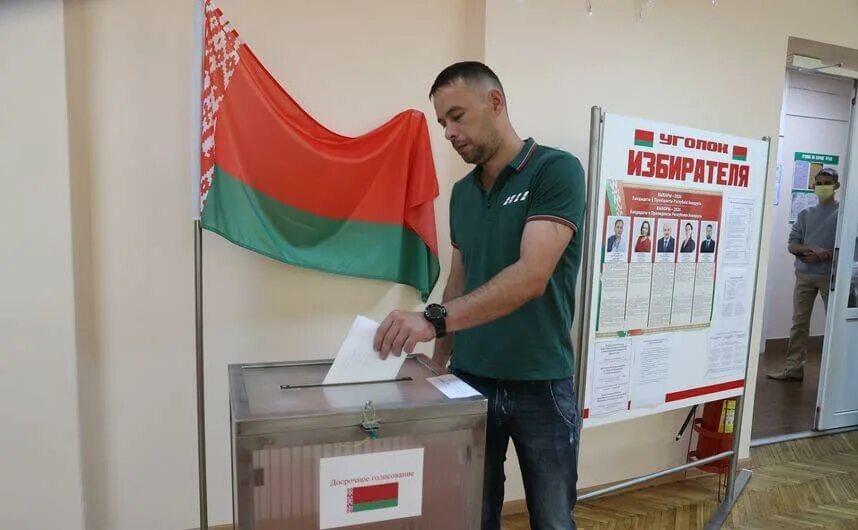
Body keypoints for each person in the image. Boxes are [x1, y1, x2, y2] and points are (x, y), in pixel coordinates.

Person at [373, 61, 585, 530]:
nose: (449, 132)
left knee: (553, 520)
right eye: (442, 123)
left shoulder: (556, 171)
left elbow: (531, 276)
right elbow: (458, 281)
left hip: (541, 385)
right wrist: (438, 367)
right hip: (469, 381)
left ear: (495, 102)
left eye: (457, 116)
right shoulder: (462, 193)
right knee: (471, 515)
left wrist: (432, 320)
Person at [769, 168, 840, 381]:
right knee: (799, 323)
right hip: (804, 276)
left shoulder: (844, 213)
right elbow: (792, 244)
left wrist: (824, 255)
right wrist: (810, 249)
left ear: (836, 186)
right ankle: (793, 369)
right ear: (813, 186)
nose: (822, 187)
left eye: (827, 183)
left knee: (835, 325)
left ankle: (834, 376)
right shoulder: (805, 214)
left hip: (831, 277)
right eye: (819, 183)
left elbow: (849, 247)